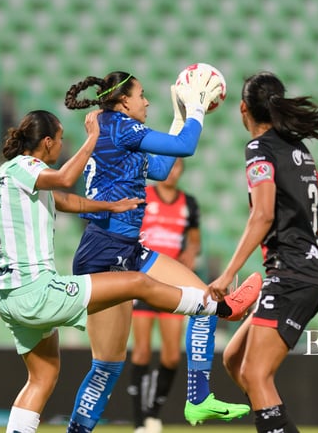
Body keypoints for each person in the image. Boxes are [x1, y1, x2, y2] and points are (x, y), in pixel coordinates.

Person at [0, 109, 259, 433]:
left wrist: (108, 206)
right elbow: (63, 179)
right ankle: (219, 306)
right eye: (61, 139)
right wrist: (92, 137)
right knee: (137, 283)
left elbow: (65, 200)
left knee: (43, 377)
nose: (62, 145)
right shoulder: (27, 167)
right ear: (47, 142)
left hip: (9, 296)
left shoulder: (10, 174)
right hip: (36, 291)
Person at [63, 71, 263, 433]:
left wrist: (177, 119)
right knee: (107, 365)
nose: (147, 101)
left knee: (204, 299)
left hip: (127, 250)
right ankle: (77, 431)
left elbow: (161, 167)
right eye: (141, 95)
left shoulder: (116, 130)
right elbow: (185, 148)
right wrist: (197, 110)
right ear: (124, 101)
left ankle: (199, 398)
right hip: (103, 254)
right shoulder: (120, 127)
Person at [207, 72, 318, 433]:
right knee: (236, 360)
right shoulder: (298, 150)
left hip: (292, 274)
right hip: (303, 271)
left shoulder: (260, 149)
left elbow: (263, 213)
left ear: (242, 109)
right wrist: (309, 253)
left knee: (254, 372)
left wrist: (226, 274)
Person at [128, 158, 201, 433]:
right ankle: (139, 422)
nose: (172, 173)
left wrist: (190, 254)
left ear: (182, 171)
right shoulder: (143, 197)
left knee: (171, 356)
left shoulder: (189, 203)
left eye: (177, 168)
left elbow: (194, 240)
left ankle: (153, 411)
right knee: (142, 351)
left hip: (172, 285)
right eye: (168, 168)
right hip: (143, 281)